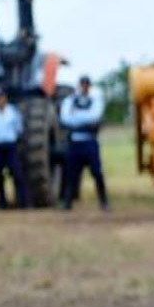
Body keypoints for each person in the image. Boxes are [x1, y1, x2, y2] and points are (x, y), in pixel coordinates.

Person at [59, 75, 109, 210]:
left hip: (90, 141)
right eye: (82, 84)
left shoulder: (95, 100)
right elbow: (65, 118)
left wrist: (76, 116)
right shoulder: (69, 101)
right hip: (75, 142)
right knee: (71, 173)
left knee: (97, 172)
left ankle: (104, 201)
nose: (84, 87)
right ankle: (67, 202)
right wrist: (83, 119)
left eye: (86, 85)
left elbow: (95, 117)